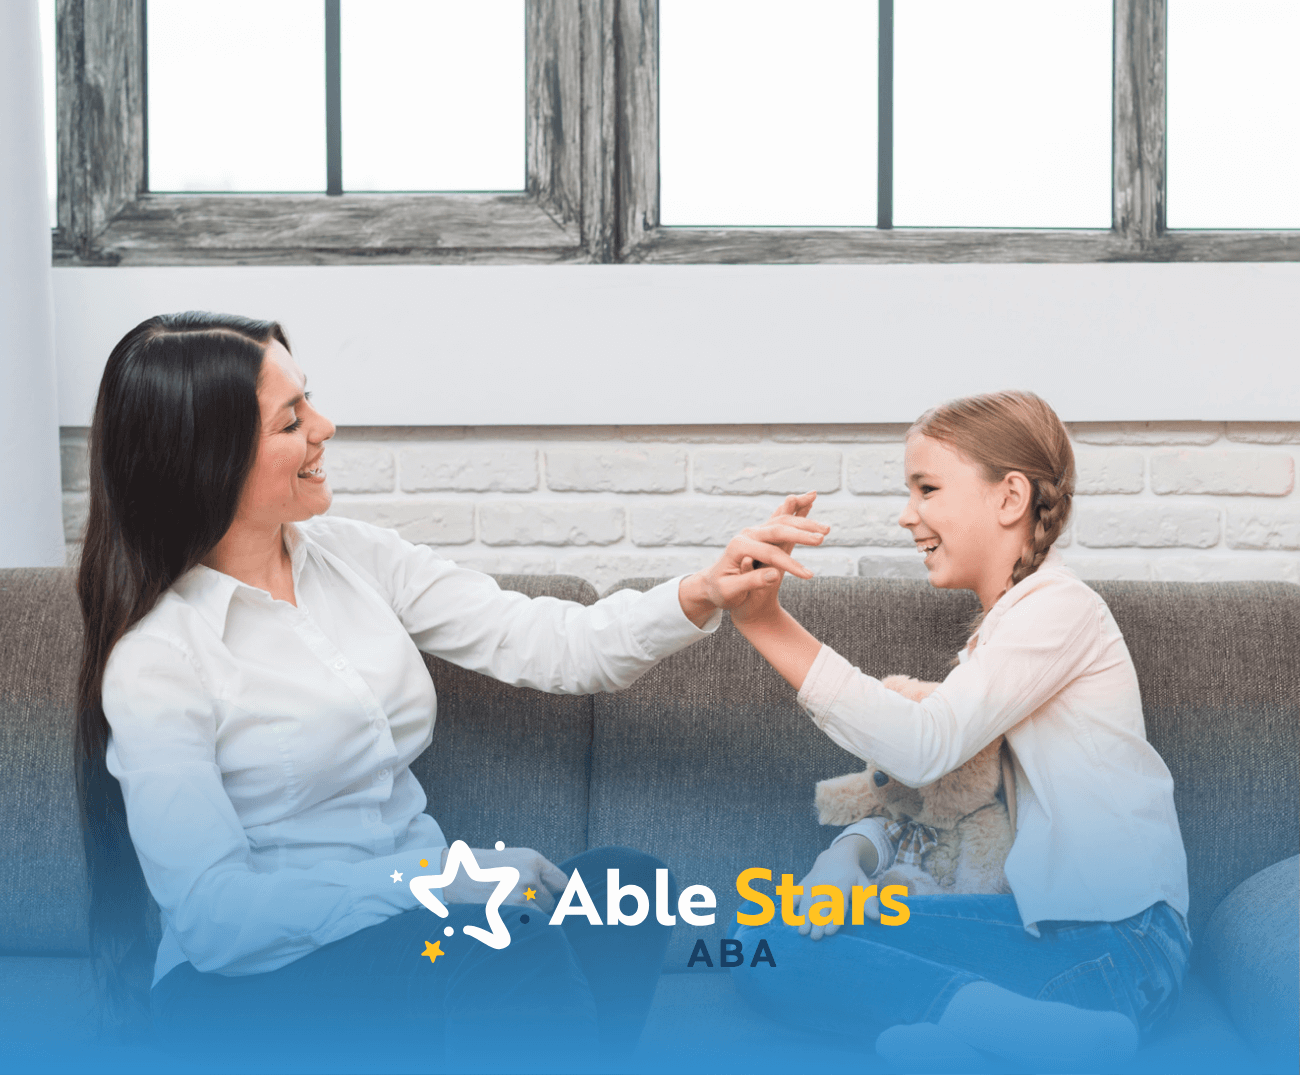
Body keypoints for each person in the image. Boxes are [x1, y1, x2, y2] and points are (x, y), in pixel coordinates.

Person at [74, 311, 827, 1072]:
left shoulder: (355, 557)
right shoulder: (158, 659)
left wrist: (703, 591)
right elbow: (214, 918)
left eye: (312, 402)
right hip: (250, 982)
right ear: (209, 458)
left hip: (421, 939)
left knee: (626, 886)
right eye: (291, 420)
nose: (325, 428)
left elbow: (550, 641)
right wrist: (437, 880)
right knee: (502, 941)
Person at [725, 391, 1191, 1072]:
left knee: (765, 939)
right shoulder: (1000, 638)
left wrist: (765, 623)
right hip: (1071, 948)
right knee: (768, 938)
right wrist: (843, 858)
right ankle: (998, 1037)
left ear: (1009, 498)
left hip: (1121, 945)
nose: (907, 514)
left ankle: (991, 1034)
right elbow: (941, 809)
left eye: (928, 488)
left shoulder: (1060, 608)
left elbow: (920, 747)